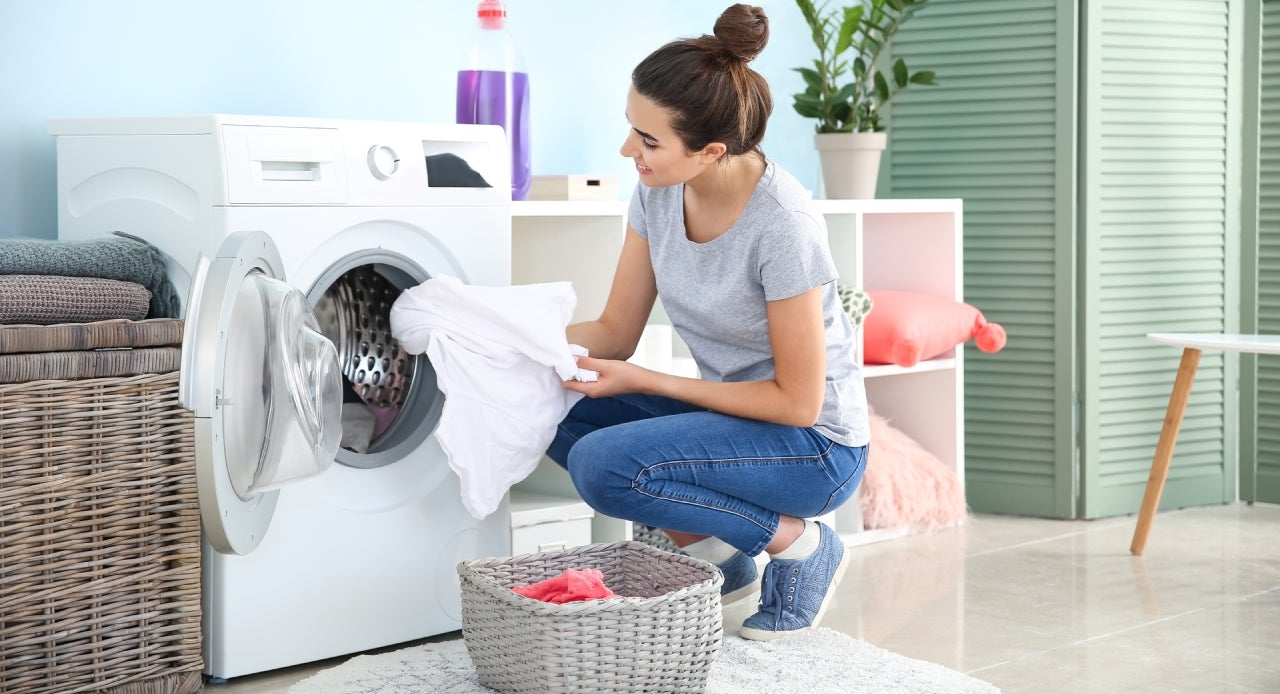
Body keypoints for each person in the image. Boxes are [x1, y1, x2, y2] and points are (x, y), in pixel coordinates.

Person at [545, 3, 869, 642]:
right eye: (631, 129)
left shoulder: (783, 226)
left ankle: (800, 545)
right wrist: (505, 338)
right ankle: (723, 560)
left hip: (815, 447)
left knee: (604, 467)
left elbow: (798, 403)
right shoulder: (657, 190)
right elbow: (614, 332)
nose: (627, 150)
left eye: (647, 140)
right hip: (737, 424)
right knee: (545, 400)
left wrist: (651, 382)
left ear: (711, 151)